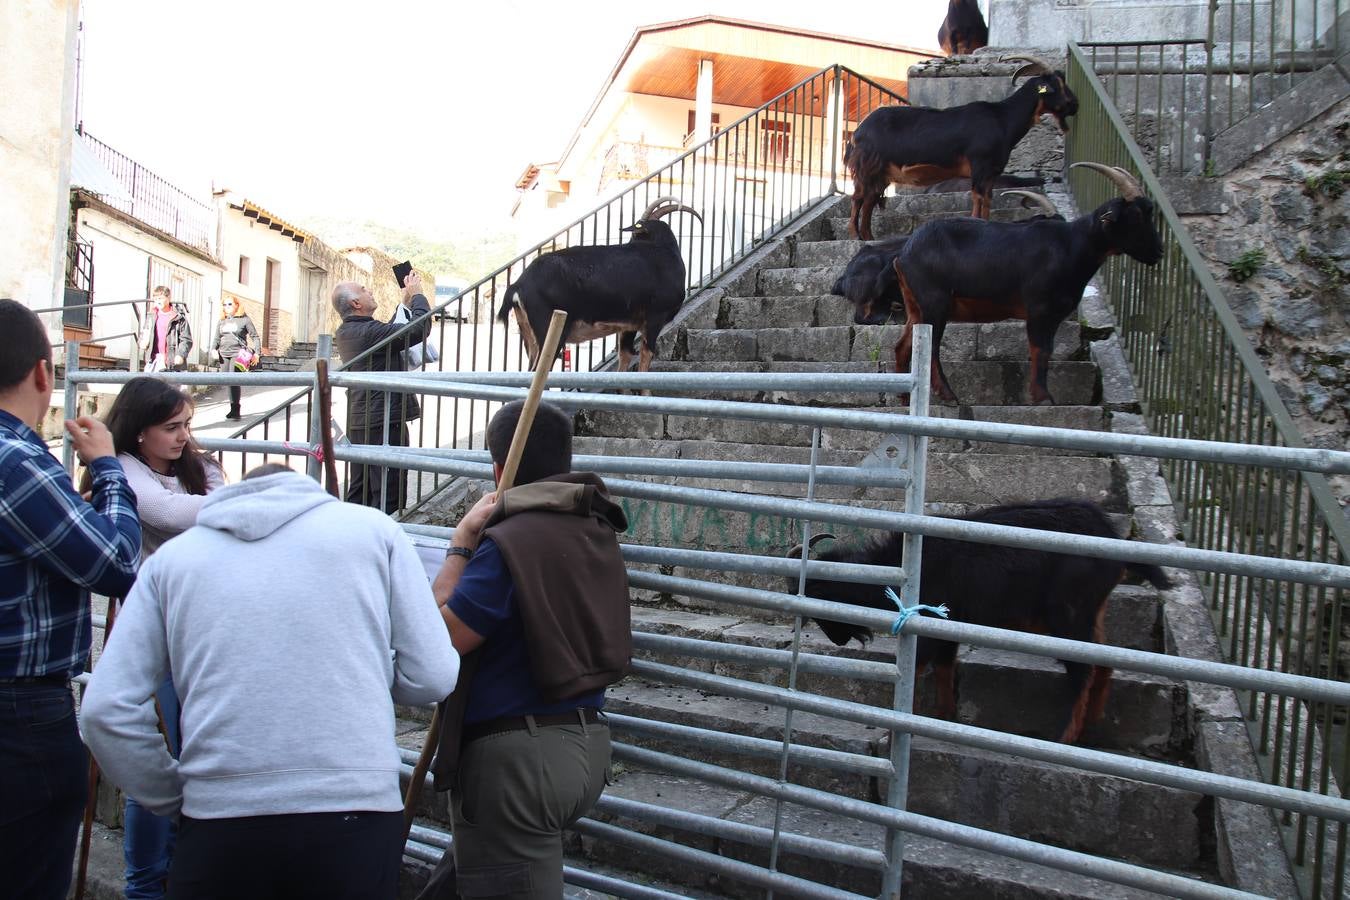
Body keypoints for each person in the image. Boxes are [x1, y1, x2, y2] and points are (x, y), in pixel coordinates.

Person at [80, 463, 460, 899]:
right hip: (354, 812)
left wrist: (172, 794)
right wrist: (368, 677)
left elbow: (105, 709)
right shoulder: (373, 533)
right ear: (306, 490)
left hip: (219, 819)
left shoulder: (172, 561)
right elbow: (434, 673)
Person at [419, 400, 631, 900]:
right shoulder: (593, 527)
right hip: (586, 744)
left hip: (519, 762)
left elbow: (439, 641)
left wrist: (460, 545)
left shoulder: (510, 541)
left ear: (498, 469)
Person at [0, 299, 141, 900]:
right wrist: (108, 470)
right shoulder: (15, 461)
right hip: (17, 718)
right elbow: (114, 562)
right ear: (43, 373)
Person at [82, 377, 226, 899]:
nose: (184, 437)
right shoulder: (120, 473)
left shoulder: (200, 468)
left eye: (187, 424)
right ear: (139, 431)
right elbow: (167, 513)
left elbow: (212, 510)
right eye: (171, 427)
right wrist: (246, 504)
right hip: (154, 637)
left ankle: (187, 875)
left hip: (206, 632)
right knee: (158, 764)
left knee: (201, 753)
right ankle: (144, 884)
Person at [332, 272, 430, 514]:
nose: (370, 291)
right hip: (383, 419)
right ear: (356, 303)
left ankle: (354, 538)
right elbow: (419, 328)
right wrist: (417, 293)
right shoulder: (367, 333)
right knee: (389, 487)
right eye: (364, 289)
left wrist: (404, 303)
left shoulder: (352, 331)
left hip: (362, 418)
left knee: (361, 487)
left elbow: (388, 333)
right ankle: (385, 538)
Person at [209, 296, 260, 420]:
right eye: (225, 305)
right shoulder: (222, 321)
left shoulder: (244, 320)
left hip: (238, 354)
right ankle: (232, 408)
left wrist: (257, 353)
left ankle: (235, 409)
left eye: (230, 304)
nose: (227, 307)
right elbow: (216, 337)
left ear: (237, 305)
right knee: (227, 381)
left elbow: (255, 336)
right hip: (224, 354)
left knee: (234, 380)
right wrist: (213, 349)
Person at [138, 286, 193, 374]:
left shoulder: (178, 317)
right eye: (155, 299)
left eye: (160, 298)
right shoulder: (151, 316)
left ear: (168, 298)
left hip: (172, 361)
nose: (158, 301)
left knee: (171, 387)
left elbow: (186, 339)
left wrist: (181, 355)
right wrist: (142, 342)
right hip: (154, 360)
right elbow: (144, 332)